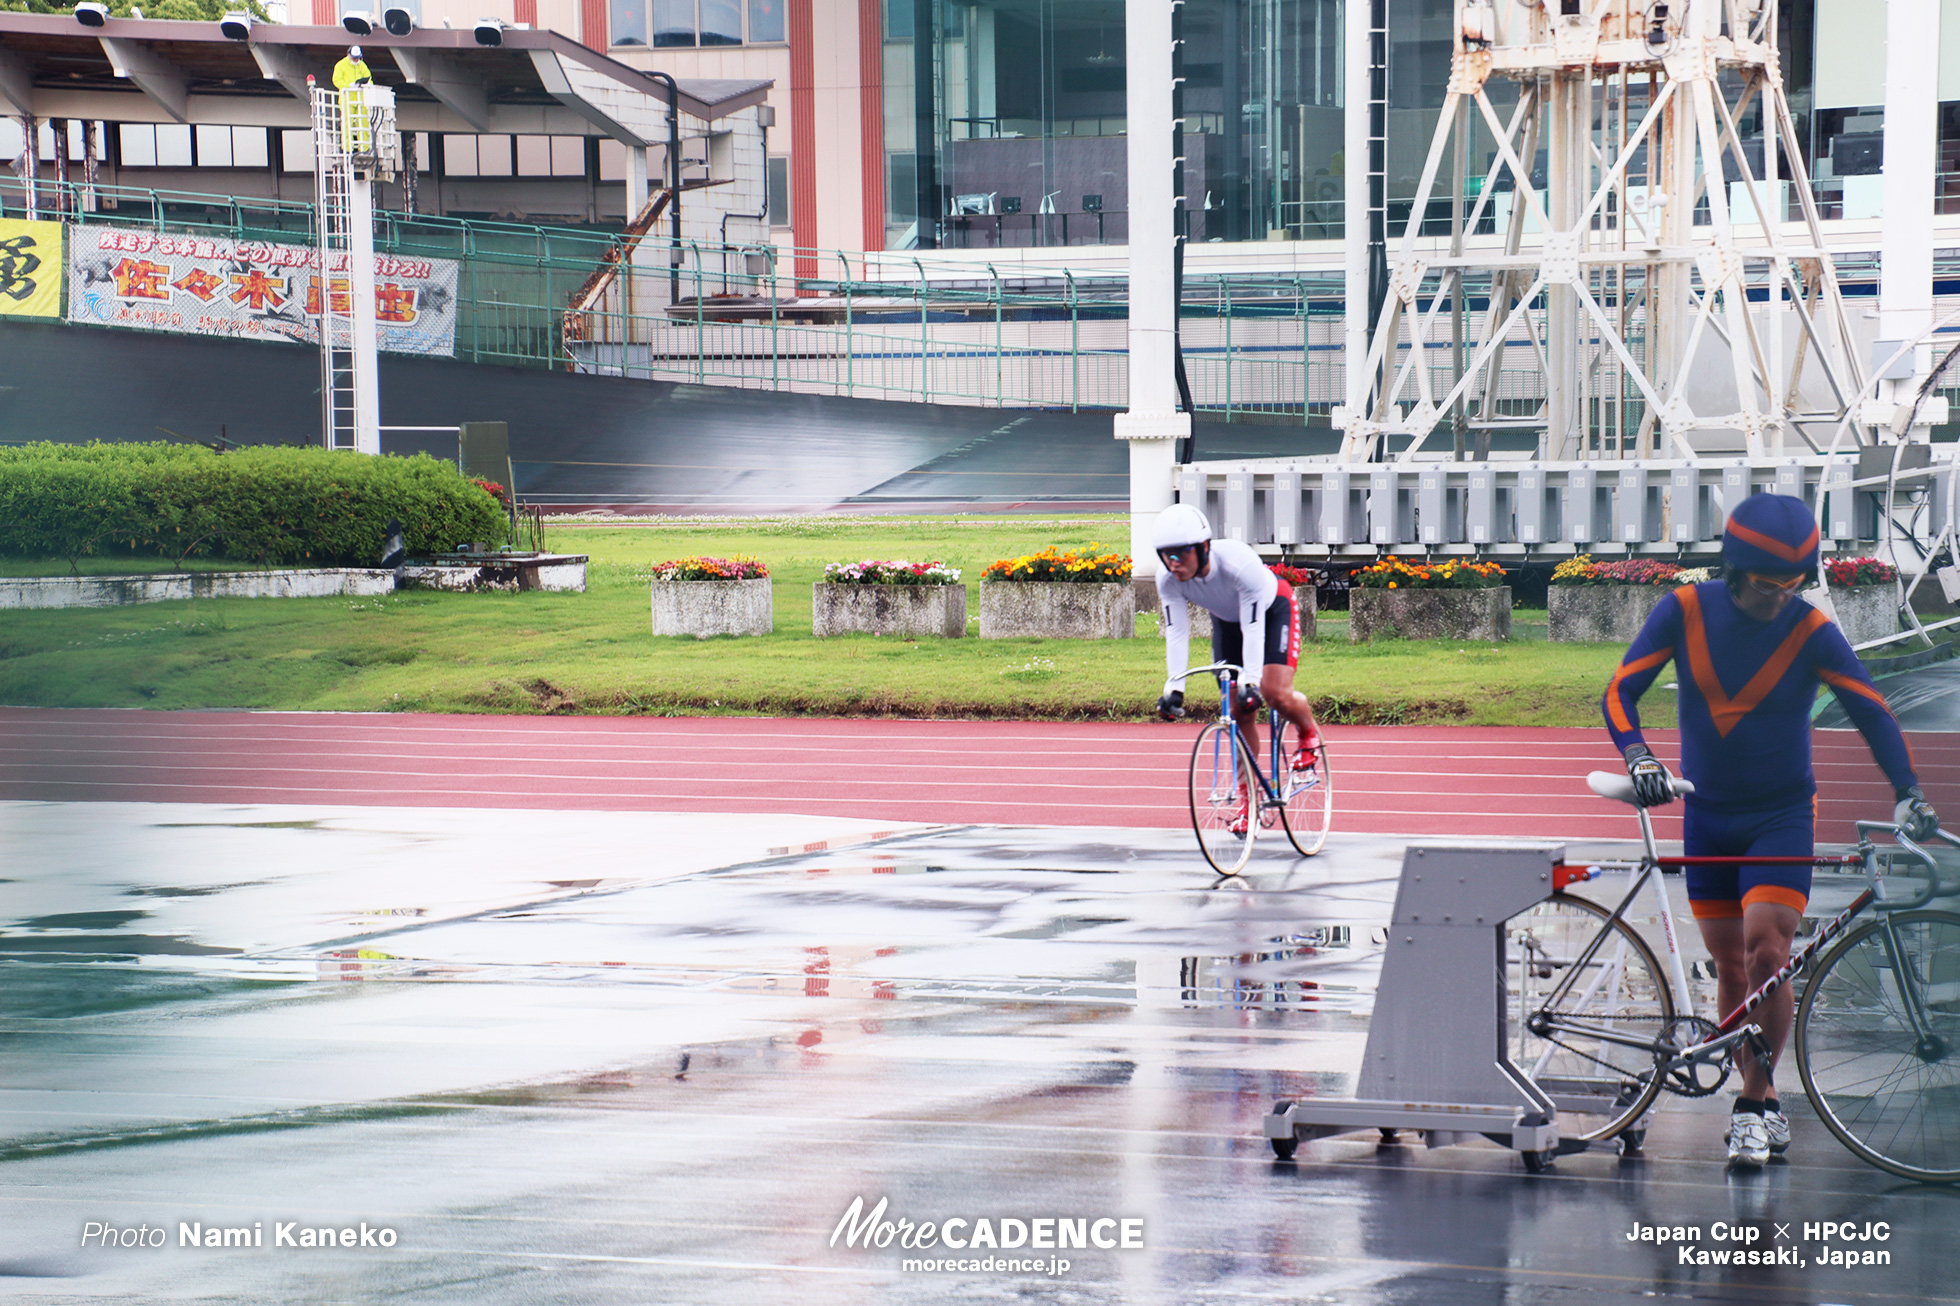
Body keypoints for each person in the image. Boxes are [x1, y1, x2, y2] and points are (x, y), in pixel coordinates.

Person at [1602, 492, 1936, 1169]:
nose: (1780, 598)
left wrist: (1909, 790)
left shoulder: (1811, 630)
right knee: (1730, 967)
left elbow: (1870, 709)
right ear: (1735, 569)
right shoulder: (1685, 612)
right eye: (1767, 585)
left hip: (1781, 814)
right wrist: (1638, 753)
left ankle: (1752, 1107)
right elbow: (1619, 693)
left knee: (1766, 953)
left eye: (1793, 585)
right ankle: (1765, 1097)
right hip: (1707, 813)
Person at [1151, 503, 1323, 830]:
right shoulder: (1168, 580)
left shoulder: (1237, 565)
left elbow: (1254, 628)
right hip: (1228, 625)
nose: (1174, 563)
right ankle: (1249, 803)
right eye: (1166, 555)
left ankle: (1307, 733)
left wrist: (1253, 681)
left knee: (1274, 693)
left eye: (1181, 554)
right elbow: (1176, 630)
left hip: (1272, 613)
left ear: (1203, 548)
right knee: (1237, 709)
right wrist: (1174, 688)